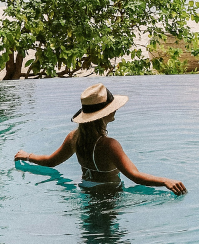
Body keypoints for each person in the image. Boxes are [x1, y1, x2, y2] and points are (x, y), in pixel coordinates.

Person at [14, 83, 187, 195]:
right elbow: (135, 176)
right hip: (110, 198)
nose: (116, 109)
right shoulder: (109, 145)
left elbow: (51, 161)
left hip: (85, 193)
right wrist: (166, 181)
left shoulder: (74, 137)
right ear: (104, 113)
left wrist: (27, 156)